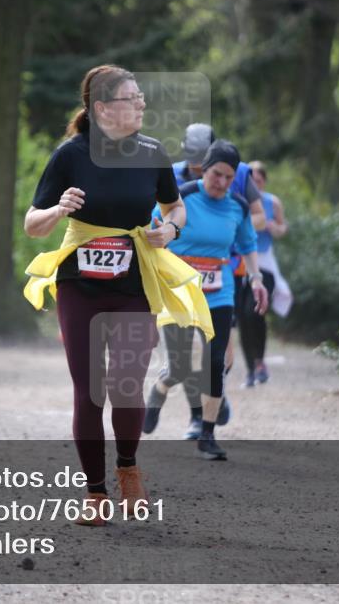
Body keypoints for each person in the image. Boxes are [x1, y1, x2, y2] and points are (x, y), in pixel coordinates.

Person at [23, 65, 213, 525]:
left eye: (142, 96)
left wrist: (170, 228)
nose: (142, 104)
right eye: (132, 98)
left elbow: (175, 206)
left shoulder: (151, 152)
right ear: (103, 108)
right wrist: (57, 209)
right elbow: (32, 225)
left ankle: (128, 468)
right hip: (79, 285)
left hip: (133, 284)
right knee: (89, 391)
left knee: (126, 385)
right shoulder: (71, 155)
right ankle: (94, 494)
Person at [142, 140, 268, 460]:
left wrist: (255, 280)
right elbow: (153, 230)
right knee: (180, 368)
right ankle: (158, 393)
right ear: (203, 169)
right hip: (179, 292)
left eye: (229, 177)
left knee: (215, 364)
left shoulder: (237, 206)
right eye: (216, 175)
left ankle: (207, 436)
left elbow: (248, 244)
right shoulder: (181, 196)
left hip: (218, 294)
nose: (222, 183)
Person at [237, 161, 293, 387]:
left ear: (264, 181)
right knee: (241, 316)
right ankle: (250, 370)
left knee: (254, 312)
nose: (255, 184)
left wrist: (272, 227)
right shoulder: (237, 200)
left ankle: (260, 361)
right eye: (251, 181)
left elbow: (282, 228)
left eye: (258, 181)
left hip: (264, 264)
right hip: (238, 264)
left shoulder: (272, 202)